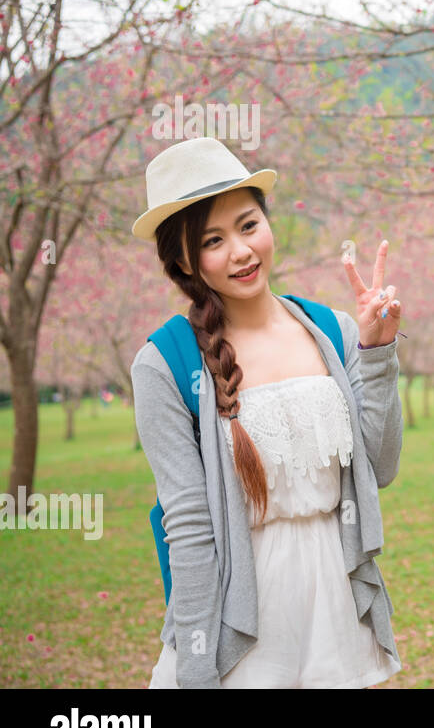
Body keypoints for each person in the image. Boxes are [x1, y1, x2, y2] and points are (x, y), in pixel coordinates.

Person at [130, 136, 405, 688]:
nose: (240, 251)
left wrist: (377, 354)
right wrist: (199, 662)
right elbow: (187, 526)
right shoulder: (165, 362)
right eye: (213, 239)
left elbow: (381, 468)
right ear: (183, 259)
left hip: (333, 594)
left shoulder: (333, 331)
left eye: (249, 225)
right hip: (243, 610)